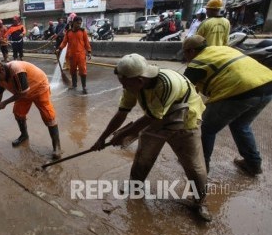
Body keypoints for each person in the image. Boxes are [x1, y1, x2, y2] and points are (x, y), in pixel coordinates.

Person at [91, 53, 211, 222]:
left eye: (125, 84)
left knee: (193, 165)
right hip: (156, 119)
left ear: (139, 80)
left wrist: (124, 134)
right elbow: (122, 112)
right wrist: (102, 138)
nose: (123, 87)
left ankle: (200, 202)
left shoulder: (167, 83)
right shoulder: (131, 84)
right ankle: (135, 186)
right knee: (143, 157)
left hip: (184, 122)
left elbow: (151, 118)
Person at [183, 35, 272, 176]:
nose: (186, 57)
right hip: (267, 84)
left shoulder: (196, 64)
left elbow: (183, 92)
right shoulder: (223, 49)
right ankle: (253, 164)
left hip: (241, 90)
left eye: (185, 53)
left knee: (205, 129)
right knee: (241, 125)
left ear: (191, 51)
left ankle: (201, 170)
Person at [0, 59, 62, 159]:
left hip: (39, 87)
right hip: (21, 92)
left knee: (48, 116)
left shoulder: (17, 70)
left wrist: (5, 103)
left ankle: (57, 147)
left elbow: (23, 93)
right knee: (18, 113)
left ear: (2, 70)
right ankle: (24, 135)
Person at [56, 16, 92, 94]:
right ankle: (74, 85)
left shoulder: (83, 32)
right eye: (77, 23)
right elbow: (64, 42)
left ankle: (84, 87)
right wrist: (59, 48)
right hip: (71, 55)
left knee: (83, 71)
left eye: (80, 23)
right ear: (73, 23)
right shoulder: (68, 32)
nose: (79, 25)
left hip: (81, 55)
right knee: (72, 70)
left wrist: (89, 52)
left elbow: (86, 43)